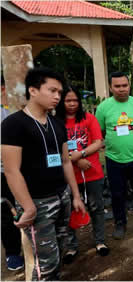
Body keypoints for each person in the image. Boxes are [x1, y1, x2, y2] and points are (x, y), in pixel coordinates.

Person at [1, 67, 86, 280]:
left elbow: (66, 161)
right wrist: (28, 206)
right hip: (37, 202)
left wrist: (74, 195)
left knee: (59, 248)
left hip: (62, 196)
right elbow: (11, 170)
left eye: (60, 92)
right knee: (45, 261)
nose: (58, 96)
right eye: (52, 90)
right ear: (33, 90)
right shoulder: (13, 124)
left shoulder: (57, 123)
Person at [55, 86, 109, 262]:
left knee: (96, 208)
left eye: (75, 100)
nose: (72, 104)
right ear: (61, 101)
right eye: (68, 100)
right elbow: (54, 148)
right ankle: (71, 247)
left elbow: (98, 142)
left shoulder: (89, 118)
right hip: (67, 176)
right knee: (68, 211)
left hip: (92, 173)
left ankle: (100, 241)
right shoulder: (55, 122)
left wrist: (82, 153)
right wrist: (76, 160)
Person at [95, 71, 133, 240]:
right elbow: (101, 131)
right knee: (117, 193)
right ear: (111, 88)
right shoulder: (103, 107)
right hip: (114, 158)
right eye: (117, 86)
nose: (121, 89)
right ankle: (120, 223)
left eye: (124, 85)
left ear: (129, 86)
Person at [1, 75, 24, 271]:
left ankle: (37, 247)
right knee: (8, 211)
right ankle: (13, 252)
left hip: (28, 170)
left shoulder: (23, 106)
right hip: (3, 172)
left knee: (32, 207)